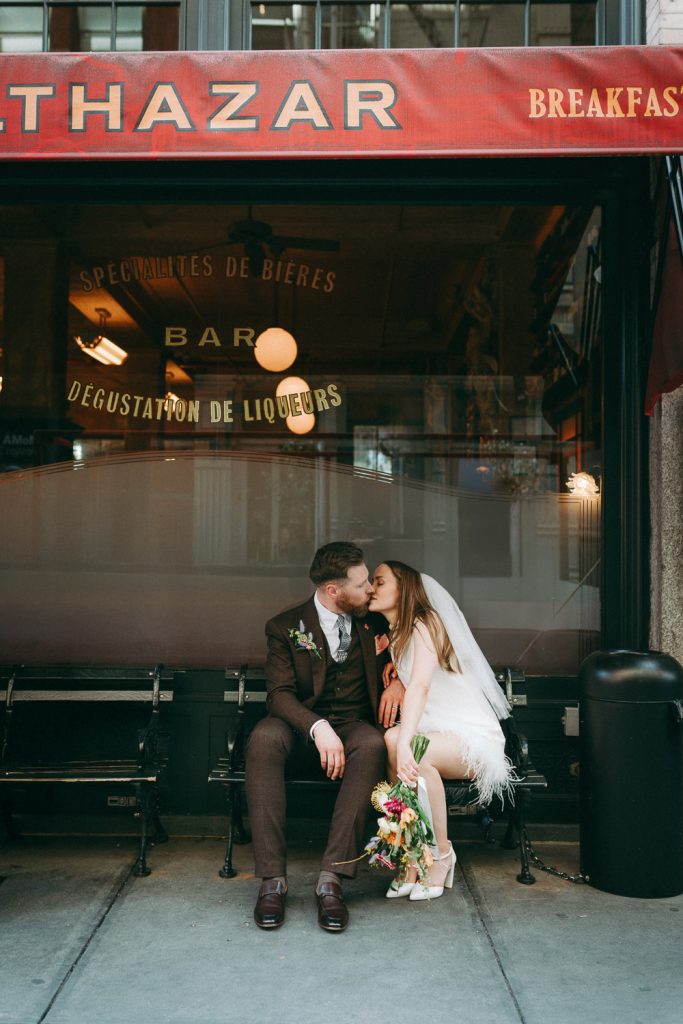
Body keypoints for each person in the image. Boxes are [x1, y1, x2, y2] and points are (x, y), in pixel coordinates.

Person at [245, 541, 405, 932]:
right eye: (362, 582)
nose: (370, 588)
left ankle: (332, 879)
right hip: (298, 728)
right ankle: (272, 880)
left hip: (353, 725)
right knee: (263, 738)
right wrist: (317, 728)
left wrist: (399, 680)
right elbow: (279, 695)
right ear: (333, 591)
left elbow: (416, 647)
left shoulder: (375, 622)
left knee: (371, 744)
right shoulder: (284, 627)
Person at [369, 560, 515, 900]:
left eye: (379, 582)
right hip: (438, 734)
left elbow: (419, 686)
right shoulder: (397, 635)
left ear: (403, 589)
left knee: (409, 749)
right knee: (394, 741)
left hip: (471, 737)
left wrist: (406, 743)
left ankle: (440, 855)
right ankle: (413, 858)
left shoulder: (426, 622)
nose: (371, 589)